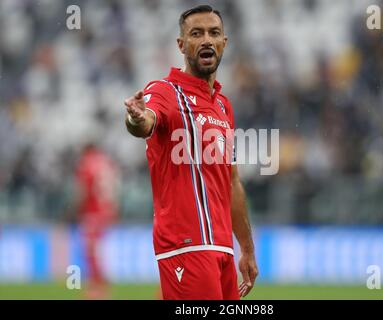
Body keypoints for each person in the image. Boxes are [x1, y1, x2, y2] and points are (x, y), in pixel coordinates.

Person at [123, 5, 258, 300]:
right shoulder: (164, 91)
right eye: (196, 34)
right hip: (187, 246)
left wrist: (246, 249)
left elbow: (232, 181)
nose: (207, 40)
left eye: (214, 33)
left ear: (225, 42)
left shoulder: (223, 106)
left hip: (222, 248)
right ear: (182, 45)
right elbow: (146, 121)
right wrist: (136, 117)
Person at [74, 143, 120, 299]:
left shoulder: (87, 163)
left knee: (91, 250)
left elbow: (84, 191)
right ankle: (99, 288)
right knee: (97, 250)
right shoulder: (106, 162)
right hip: (107, 211)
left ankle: (98, 290)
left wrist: (76, 210)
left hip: (92, 212)